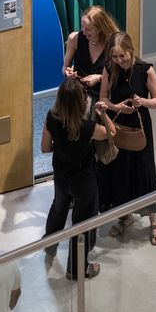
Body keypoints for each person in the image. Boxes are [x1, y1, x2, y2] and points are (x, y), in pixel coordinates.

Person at [41, 78, 116, 279]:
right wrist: (103, 113)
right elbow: (112, 133)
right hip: (84, 181)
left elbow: (45, 148)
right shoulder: (87, 127)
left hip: (61, 177)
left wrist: (62, 147)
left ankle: (49, 245)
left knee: (58, 208)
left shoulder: (51, 117)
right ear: (80, 101)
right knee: (82, 223)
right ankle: (76, 269)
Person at [99, 32, 156, 245]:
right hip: (118, 126)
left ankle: (154, 218)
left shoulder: (146, 70)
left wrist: (142, 102)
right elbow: (103, 98)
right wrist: (116, 107)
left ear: (131, 50)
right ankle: (125, 215)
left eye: (122, 56)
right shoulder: (110, 69)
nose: (119, 61)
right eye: (115, 57)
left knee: (144, 169)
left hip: (140, 126)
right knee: (120, 171)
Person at [63, 5, 120, 110]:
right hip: (77, 94)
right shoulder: (74, 38)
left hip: (104, 96)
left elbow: (120, 76)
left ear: (101, 28)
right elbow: (64, 68)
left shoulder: (114, 44)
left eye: (88, 29)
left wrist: (99, 78)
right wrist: (67, 72)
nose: (84, 32)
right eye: (82, 27)